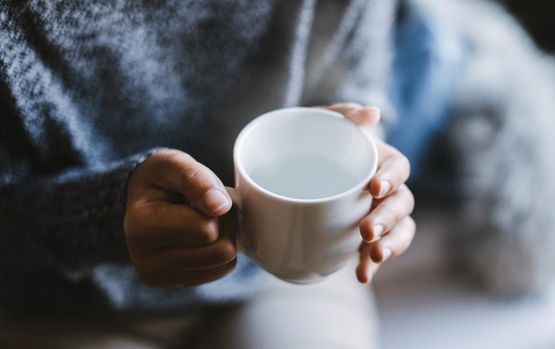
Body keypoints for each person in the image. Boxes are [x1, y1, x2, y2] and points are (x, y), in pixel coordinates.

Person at [0, 1, 414, 348]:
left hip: (284, 272)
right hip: (63, 299)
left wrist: (369, 160)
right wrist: (107, 215)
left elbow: (358, 87)